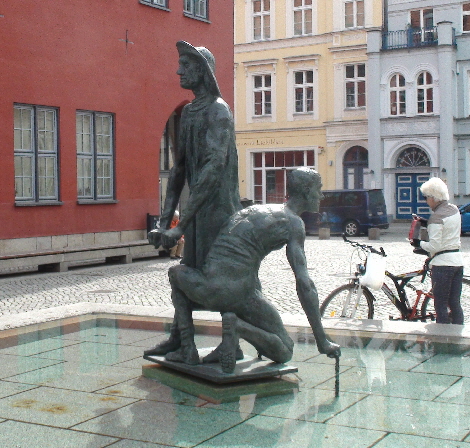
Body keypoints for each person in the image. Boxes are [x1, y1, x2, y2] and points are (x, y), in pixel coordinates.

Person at [160, 168, 341, 372]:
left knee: (176, 273)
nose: (322, 196)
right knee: (284, 351)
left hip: (209, 286)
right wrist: (321, 340)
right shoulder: (293, 223)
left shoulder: (258, 210)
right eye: (319, 190)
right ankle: (238, 327)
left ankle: (188, 348)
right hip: (241, 296)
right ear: (307, 191)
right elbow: (304, 283)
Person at [146, 41, 243, 356]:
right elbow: (179, 170)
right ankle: (180, 338)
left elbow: (213, 171)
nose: (178, 70)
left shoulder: (219, 111)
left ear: (202, 70)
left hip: (220, 214)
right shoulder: (188, 113)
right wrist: (165, 222)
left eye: (186, 65)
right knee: (187, 272)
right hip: (198, 215)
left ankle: (232, 342)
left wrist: (180, 223)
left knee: (222, 278)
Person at [412, 177, 464, 324]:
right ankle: (457, 335)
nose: (426, 201)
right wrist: (425, 222)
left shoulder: (436, 217)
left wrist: (418, 243)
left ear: (434, 198)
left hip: (442, 265)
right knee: (454, 303)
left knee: (440, 304)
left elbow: (434, 246)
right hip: (457, 262)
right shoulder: (454, 210)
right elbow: (447, 229)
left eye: (426, 198)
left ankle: (443, 339)